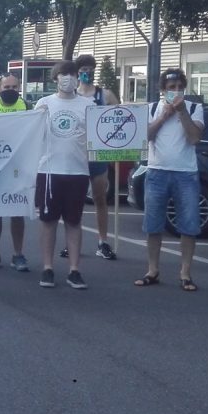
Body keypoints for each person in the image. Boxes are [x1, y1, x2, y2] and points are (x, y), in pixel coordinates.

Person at [136, 68, 205, 292]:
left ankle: (185, 273)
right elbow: (145, 136)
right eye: (171, 88)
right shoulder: (153, 108)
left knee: (189, 224)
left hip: (186, 173)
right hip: (157, 171)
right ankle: (152, 270)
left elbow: (195, 138)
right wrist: (164, 116)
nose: (175, 92)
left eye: (179, 88)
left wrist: (182, 112)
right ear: (163, 90)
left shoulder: (195, 108)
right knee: (153, 224)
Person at [34, 60, 95, 289]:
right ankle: (48, 268)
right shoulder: (44, 103)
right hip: (49, 170)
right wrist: (38, 118)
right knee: (48, 221)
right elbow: (31, 135)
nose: (67, 78)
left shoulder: (87, 104)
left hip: (77, 170)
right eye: (63, 74)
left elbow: (96, 137)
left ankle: (74, 269)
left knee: (74, 221)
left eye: (71, 74)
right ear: (55, 78)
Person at [67, 54, 121, 261]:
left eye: (90, 69)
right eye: (83, 69)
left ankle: (103, 241)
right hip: (77, 153)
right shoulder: (70, 95)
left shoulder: (105, 95)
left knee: (100, 198)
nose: (87, 72)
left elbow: (121, 118)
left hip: (98, 154)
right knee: (75, 201)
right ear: (77, 72)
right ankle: (72, 243)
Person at [0, 74, 31, 273]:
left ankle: (18, 254)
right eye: (6, 86)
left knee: (17, 212)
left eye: (13, 86)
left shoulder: (27, 107)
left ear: (19, 88)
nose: (9, 89)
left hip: (19, 167)